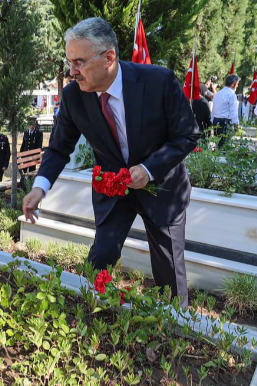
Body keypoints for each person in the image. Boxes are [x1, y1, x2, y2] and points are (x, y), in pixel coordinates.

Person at [22, 17, 200, 306]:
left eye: (78, 62)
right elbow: (58, 148)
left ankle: (176, 326)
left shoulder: (159, 82)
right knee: (100, 256)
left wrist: (148, 169)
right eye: (69, 62)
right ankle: (93, 314)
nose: (71, 72)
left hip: (162, 187)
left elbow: (187, 136)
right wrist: (40, 188)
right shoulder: (73, 97)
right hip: (114, 189)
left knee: (168, 265)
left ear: (109, 57)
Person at [211, 74, 240, 147]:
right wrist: (236, 124)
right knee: (225, 146)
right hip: (225, 123)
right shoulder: (231, 95)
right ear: (233, 84)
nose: (237, 86)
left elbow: (214, 109)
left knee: (218, 144)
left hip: (216, 121)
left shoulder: (218, 94)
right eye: (237, 84)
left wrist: (212, 121)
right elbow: (233, 111)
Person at [19, 118, 44, 189]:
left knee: (31, 172)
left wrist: (35, 156)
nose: (31, 126)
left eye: (33, 124)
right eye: (30, 124)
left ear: (35, 125)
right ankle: (22, 187)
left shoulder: (39, 133)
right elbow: (23, 144)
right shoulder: (26, 132)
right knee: (23, 172)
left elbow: (39, 146)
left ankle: (30, 186)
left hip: (33, 157)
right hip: (25, 156)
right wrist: (20, 154)